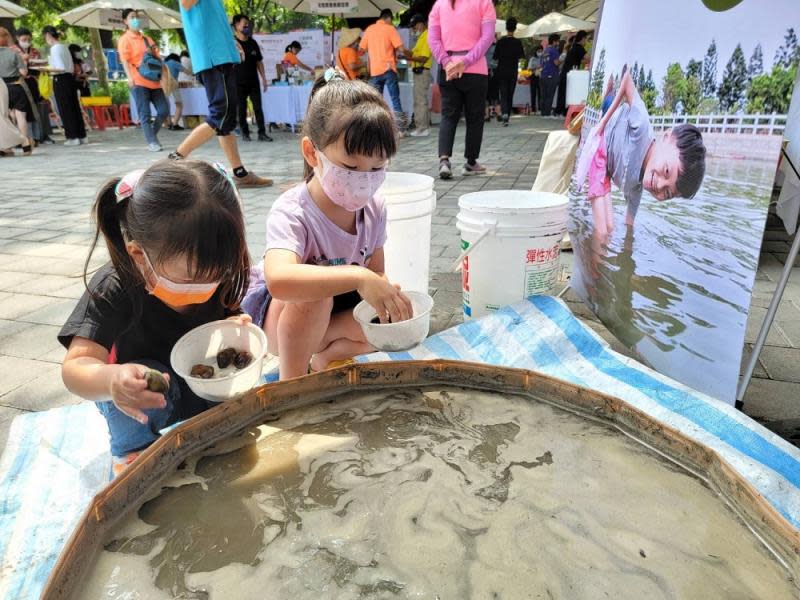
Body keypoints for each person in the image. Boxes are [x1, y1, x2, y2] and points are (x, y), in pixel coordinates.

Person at [58, 159, 252, 476]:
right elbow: (75, 368)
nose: (208, 285)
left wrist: (236, 324)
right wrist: (112, 380)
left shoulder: (217, 268)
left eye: (218, 275)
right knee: (147, 380)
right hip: (140, 401)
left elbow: (232, 308)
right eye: (192, 277)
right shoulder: (115, 286)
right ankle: (133, 451)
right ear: (139, 255)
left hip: (197, 383)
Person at [241, 71, 412, 380]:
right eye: (350, 167)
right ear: (312, 153)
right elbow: (279, 279)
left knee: (391, 321)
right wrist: (358, 276)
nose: (364, 179)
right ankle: (291, 383)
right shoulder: (293, 210)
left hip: (334, 321)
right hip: (286, 323)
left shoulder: (374, 208)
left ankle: (325, 357)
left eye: (377, 168)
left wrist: (384, 290)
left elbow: (376, 270)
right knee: (316, 296)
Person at [579, 67, 706, 236]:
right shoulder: (642, 127)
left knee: (609, 229)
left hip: (607, 166)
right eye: (667, 171)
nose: (659, 186)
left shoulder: (636, 189)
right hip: (603, 144)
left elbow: (629, 222)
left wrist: (629, 245)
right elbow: (627, 80)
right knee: (603, 232)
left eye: (667, 193)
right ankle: (608, 93)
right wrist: (603, 122)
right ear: (667, 137)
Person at [173, 0, 271, 187]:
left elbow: (214, 22)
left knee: (226, 121)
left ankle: (240, 174)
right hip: (213, 58)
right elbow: (186, 3)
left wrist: (231, 41)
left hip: (220, 56)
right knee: (220, 114)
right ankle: (173, 161)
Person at [428, 0, 496, 179]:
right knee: (475, 117)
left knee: (448, 115)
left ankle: (444, 160)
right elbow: (487, 38)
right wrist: (465, 61)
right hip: (476, 70)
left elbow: (433, 39)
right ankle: (471, 162)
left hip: (448, 70)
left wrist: (447, 62)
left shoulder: (439, 5)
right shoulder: (484, 3)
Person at [118, 9, 169, 152]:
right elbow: (125, 61)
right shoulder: (124, 40)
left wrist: (152, 53)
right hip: (138, 81)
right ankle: (152, 142)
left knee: (164, 110)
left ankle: (151, 134)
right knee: (145, 113)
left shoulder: (147, 39)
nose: (136, 19)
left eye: (137, 17)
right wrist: (129, 78)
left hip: (154, 80)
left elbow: (159, 59)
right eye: (132, 17)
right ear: (125, 21)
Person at [359, 9, 411, 127]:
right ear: (389, 18)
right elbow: (401, 49)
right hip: (388, 69)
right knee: (395, 99)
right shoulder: (390, 29)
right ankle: (401, 128)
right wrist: (410, 54)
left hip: (375, 71)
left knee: (376, 102)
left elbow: (361, 50)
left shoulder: (369, 29)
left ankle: (378, 127)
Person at [43, 26, 86, 146]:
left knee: (65, 108)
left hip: (60, 79)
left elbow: (60, 67)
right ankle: (81, 135)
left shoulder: (55, 49)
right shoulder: (64, 47)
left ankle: (72, 137)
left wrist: (46, 70)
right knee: (74, 107)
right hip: (70, 78)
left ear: (48, 36)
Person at [232, 14, 271, 142]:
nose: (247, 27)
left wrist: (264, 79)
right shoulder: (231, 43)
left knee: (258, 108)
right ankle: (245, 133)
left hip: (253, 82)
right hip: (238, 82)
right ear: (237, 26)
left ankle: (262, 133)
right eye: (244, 25)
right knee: (241, 109)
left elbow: (259, 62)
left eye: (248, 25)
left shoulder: (253, 42)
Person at [0, 27, 32, 155]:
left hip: (1, 88)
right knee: (21, 117)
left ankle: (6, 147)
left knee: (3, 117)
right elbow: (24, 72)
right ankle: (25, 146)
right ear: (6, 38)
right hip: (16, 86)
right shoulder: (14, 54)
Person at [493, 17, 524, 127]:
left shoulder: (500, 42)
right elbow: (521, 58)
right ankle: (507, 115)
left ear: (506, 28)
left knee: (503, 93)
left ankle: (505, 114)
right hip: (512, 71)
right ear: (515, 28)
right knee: (510, 93)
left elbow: (495, 58)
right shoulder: (518, 42)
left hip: (501, 71)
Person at [408, 14, 432, 137]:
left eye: (415, 26)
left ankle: (423, 128)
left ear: (421, 24)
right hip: (418, 71)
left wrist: (407, 57)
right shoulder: (421, 37)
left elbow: (423, 58)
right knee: (418, 100)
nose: (414, 29)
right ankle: (421, 127)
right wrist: (405, 53)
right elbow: (414, 54)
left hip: (422, 70)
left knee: (421, 100)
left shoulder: (427, 35)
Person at [555, 30, 589, 116]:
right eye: (586, 39)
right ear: (583, 38)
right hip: (570, 74)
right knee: (569, 93)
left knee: (563, 92)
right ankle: (564, 112)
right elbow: (588, 58)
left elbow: (581, 60)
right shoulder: (579, 47)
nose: (586, 42)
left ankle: (559, 112)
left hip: (565, 72)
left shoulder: (572, 47)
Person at [163, 53, 187, 130]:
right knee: (179, 105)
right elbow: (186, 71)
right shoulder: (175, 63)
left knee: (166, 106)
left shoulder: (163, 63)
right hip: (173, 85)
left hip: (163, 86)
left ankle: (169, 124)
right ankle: (175, 124)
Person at [539, 33, 560, 117]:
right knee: (550, 95)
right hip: (551, 74)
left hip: (543, 75)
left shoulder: (545, 51)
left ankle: (543, 113)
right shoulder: (554, 51)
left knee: (543, 95)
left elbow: (541, 64)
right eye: (557, 41)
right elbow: (556, 63)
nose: (558, 43)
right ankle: (547, 113)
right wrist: (561, 59)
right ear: (554, 41)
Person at [484, 37, 499, 121]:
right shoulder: (496, 47)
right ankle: (496, 113)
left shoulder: (484, 47)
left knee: (486, 95)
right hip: (494, 72)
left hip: (486, 71)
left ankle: (487, 115)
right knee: (495, 94)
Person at [527, 46, 542, 114]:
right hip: (533, 76)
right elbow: (529, 68)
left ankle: (540, 108)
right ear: (536, 51)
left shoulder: (543, 58)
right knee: (533, 93)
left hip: (541, 76)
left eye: (541, 51)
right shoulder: (532, 59)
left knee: (540, 93)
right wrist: (536, 68)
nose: (540, 52)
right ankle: (533, 109)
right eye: (539, 51)